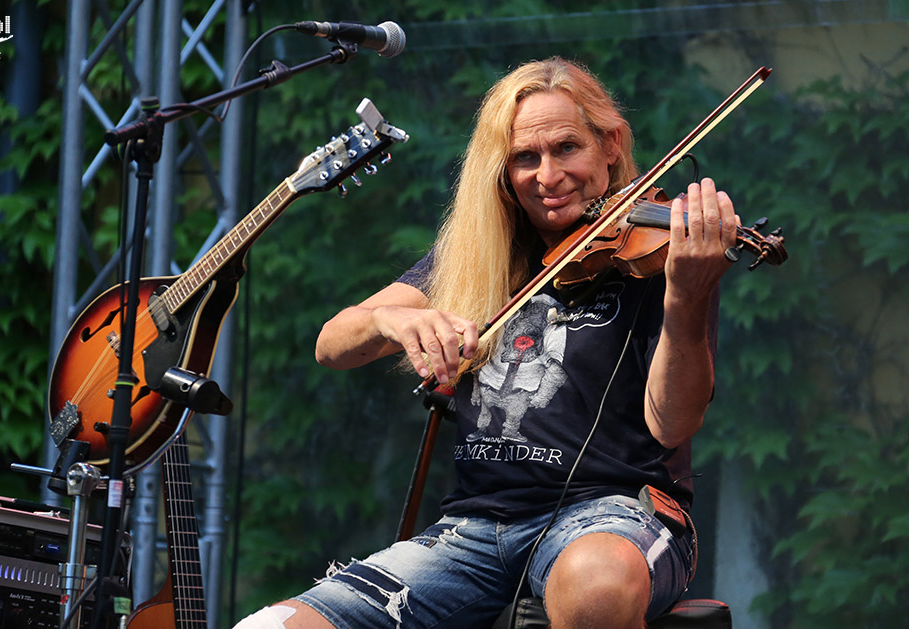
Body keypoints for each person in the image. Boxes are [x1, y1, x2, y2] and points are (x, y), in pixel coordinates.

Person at [235, 56, 738, 629]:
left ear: (611, 144)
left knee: (592, 585)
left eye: (566, 148)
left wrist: (686, 297)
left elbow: (672, 424)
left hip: (615, 514)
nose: (547, 176)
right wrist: (390, 323)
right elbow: (332, 343)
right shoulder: (483, 255)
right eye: (526, 157)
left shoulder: (660, 256)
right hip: (475, 529)